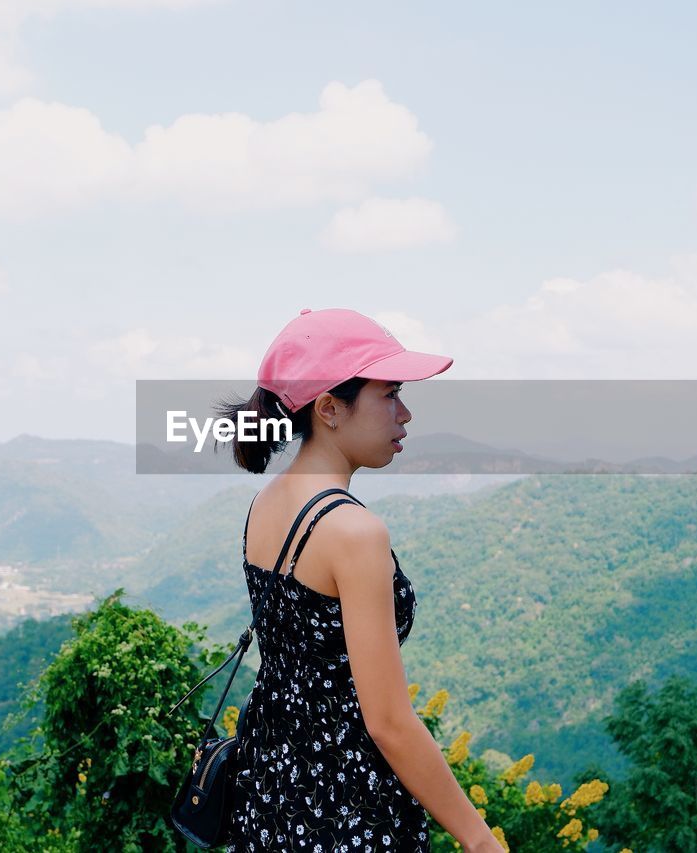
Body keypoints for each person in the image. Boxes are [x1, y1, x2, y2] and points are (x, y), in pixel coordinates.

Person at [212, 308, 502, 852]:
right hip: (345, 811)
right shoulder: (354, 532)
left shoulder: (266, 503)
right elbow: (389, 722)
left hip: (270, 795)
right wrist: (478, 839)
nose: (406, 413)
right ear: (329, 408)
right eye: (389, 393)